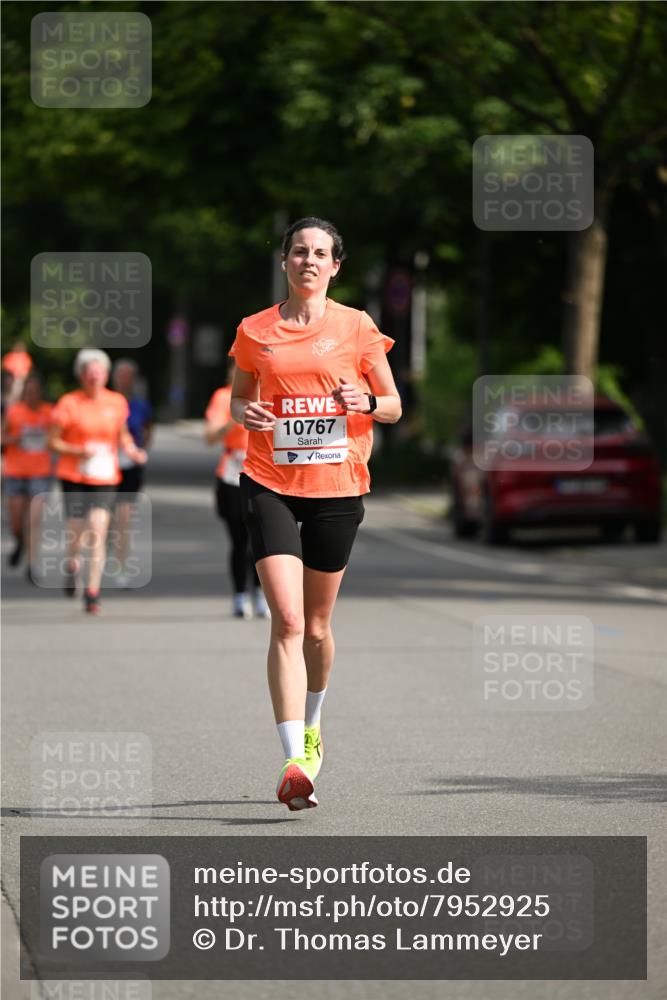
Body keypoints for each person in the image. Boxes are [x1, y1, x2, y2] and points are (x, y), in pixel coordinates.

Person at [230, 217, 401, 811]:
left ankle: (313, 722)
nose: (308, 260)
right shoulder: (256, 330)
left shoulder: (357, 328)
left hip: (336, 485)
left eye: (319, 253)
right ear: (285, 262)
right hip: (269, 480)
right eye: (298, 251)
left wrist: (368, 401)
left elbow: (395, 406)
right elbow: (237, 396)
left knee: (320, 628)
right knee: (288, 620)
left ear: (334, 266)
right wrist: (245, 415)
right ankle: (293, 759)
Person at [48, 349, 147, 615]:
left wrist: (132, 450)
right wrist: (77, 451)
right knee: (77, 534)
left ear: (105, 375)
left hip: (104, 475)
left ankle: (92, 592)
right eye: (89, 373)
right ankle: (72, 563)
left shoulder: (116, 402)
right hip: (74, 476)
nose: (94, 377)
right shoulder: (69, 403)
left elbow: (122, 434)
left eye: (99, 372)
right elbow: (53, 442)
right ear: (81, 376)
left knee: (98, 530)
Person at [205, 361, 270, 619]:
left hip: (264, 471)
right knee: (239, 541)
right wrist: (236, 417)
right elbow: (209, 437)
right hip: (232, 473)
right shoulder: (223, 397)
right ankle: (239, 595)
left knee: (261, 541)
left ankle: (260, 593)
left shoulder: (270, 392)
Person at [1, 373, 53, 582]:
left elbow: (59, 436)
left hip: (40, 472)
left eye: (35, 392)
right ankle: (20, 542)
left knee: (34, 519)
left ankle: (32, 566)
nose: (31, 396)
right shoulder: (14, 412)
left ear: (40, 393)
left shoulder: (50, 413)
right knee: (16, 522)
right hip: (15, 472)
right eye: (28, 392)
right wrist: (15, 438)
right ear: (23, 394)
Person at [111, 359, 153, 588]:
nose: (125, 380)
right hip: (105, 465)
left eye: (129, 376)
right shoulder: (105, 402)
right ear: (114, 378)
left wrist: (141, 449)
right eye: (121, 376)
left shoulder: (139, 404)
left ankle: (120, 566)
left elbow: (148, 428)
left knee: (123, 518)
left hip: (131, 466)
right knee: (104, 518)